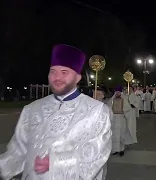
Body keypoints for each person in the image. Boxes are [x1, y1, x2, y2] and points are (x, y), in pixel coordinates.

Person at [0, 44, 112, 180]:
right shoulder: (31, 109)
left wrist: (55, 163)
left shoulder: (97, 112)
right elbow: (17, 152)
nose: (57, 77)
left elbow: (96, 154)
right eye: (53, 71)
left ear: (78, 78)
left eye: (64, 72)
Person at [110, 85, 127, 156]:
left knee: (121, 133)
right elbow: (109, 108)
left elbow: (127, 108)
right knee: (114, 134)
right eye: (116, 92)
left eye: (118, 92)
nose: (117, 93)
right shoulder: (112, 100)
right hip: (114, 118)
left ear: (121, 93)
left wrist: (124, 111)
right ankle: (115, 149)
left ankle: (121, 149)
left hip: (121, 118)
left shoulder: (124, 99)